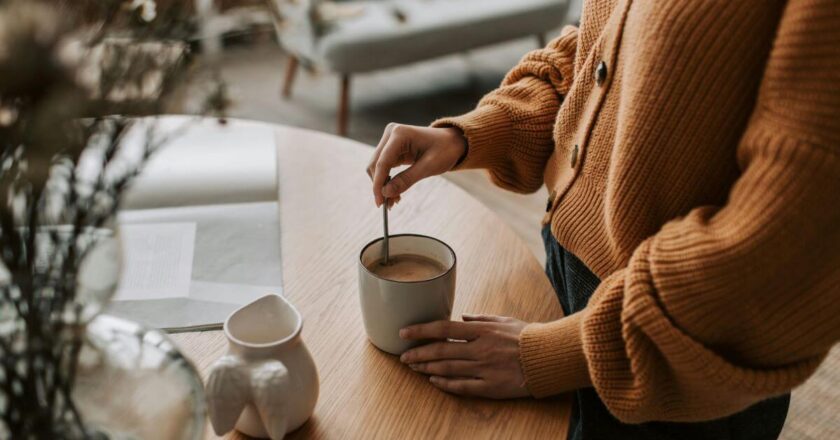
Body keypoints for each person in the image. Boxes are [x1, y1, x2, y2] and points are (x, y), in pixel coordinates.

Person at [365, 0, 840, 438]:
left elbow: (788, 248)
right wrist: (477, 133)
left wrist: (563, 354)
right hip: (567, 280)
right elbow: (602, 45)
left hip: (677, 359)